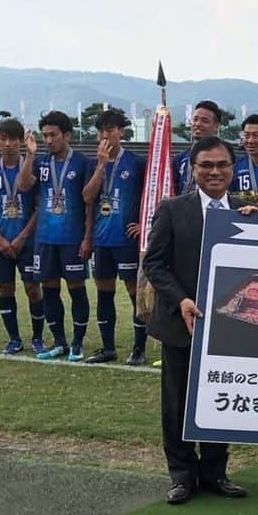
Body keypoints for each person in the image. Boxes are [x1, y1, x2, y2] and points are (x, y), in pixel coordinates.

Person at [144, 136, 254, 505]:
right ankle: (180, 475)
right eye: (206, 165)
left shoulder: (245, 211)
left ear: (232, 168)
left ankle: (215, 472)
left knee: (219, 397)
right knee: (177, 402)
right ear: (193, 169)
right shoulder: (173, 209)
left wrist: (257, 227)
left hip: (229, 325)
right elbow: (154, 263)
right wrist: (182, 301)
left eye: (222, 164)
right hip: (182, 324)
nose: (215, 172)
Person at [16, 112, 94, 361]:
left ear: (67, 135)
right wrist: (29, 155)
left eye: (53, 135)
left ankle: (78, 343)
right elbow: (23, 186)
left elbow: (89, 203)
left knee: (76, 289)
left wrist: (87, 237)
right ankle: (59, 342)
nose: (48, 140)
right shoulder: (39, 162)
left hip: (72, 238)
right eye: (45, 135)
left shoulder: (82, 162)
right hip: (45, 238)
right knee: (49, 290)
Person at [81, 110, 148, 365]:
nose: (105, 135)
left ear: (122, 132)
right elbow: (88, 198)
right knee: (104, 292)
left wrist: (144, 224)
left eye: (110, 130)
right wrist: (100, 165)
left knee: (134, 293)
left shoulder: (136, 163)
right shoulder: (92, 163)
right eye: (101, 131)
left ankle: (139, 349)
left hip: (126, 239)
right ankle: (108, 348)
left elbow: (149, 197)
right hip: (101, 239)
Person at [0, 119, 44, 354]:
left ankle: (38, 337)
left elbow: (39, 207)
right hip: (0, 242)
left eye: (12, 139)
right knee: (6, 290)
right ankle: (14, 339)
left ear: (19, 142)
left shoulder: (31, 168)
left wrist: (23, 237)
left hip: (28, 242)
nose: (8, 144)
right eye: (3, 139)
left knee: (33, 289)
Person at [173, 100, 222, 195]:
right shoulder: (180, 159)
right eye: (195, 119)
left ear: (216, 126)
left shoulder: (226, 159)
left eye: (205, 121)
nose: (198, 124)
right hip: (185, 207)